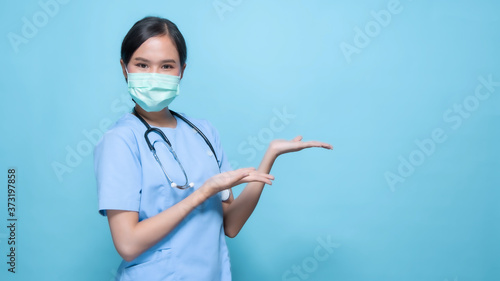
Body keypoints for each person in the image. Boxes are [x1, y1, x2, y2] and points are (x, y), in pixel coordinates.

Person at [94, 16, 333, 281]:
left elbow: (230, 224)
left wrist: (270, 155)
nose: (154, 76)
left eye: (166, 66)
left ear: (181, 71)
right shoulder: (120, 140)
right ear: (124, 68)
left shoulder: (203, 132)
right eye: (142, 65)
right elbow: (128, 245)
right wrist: (203, 192)